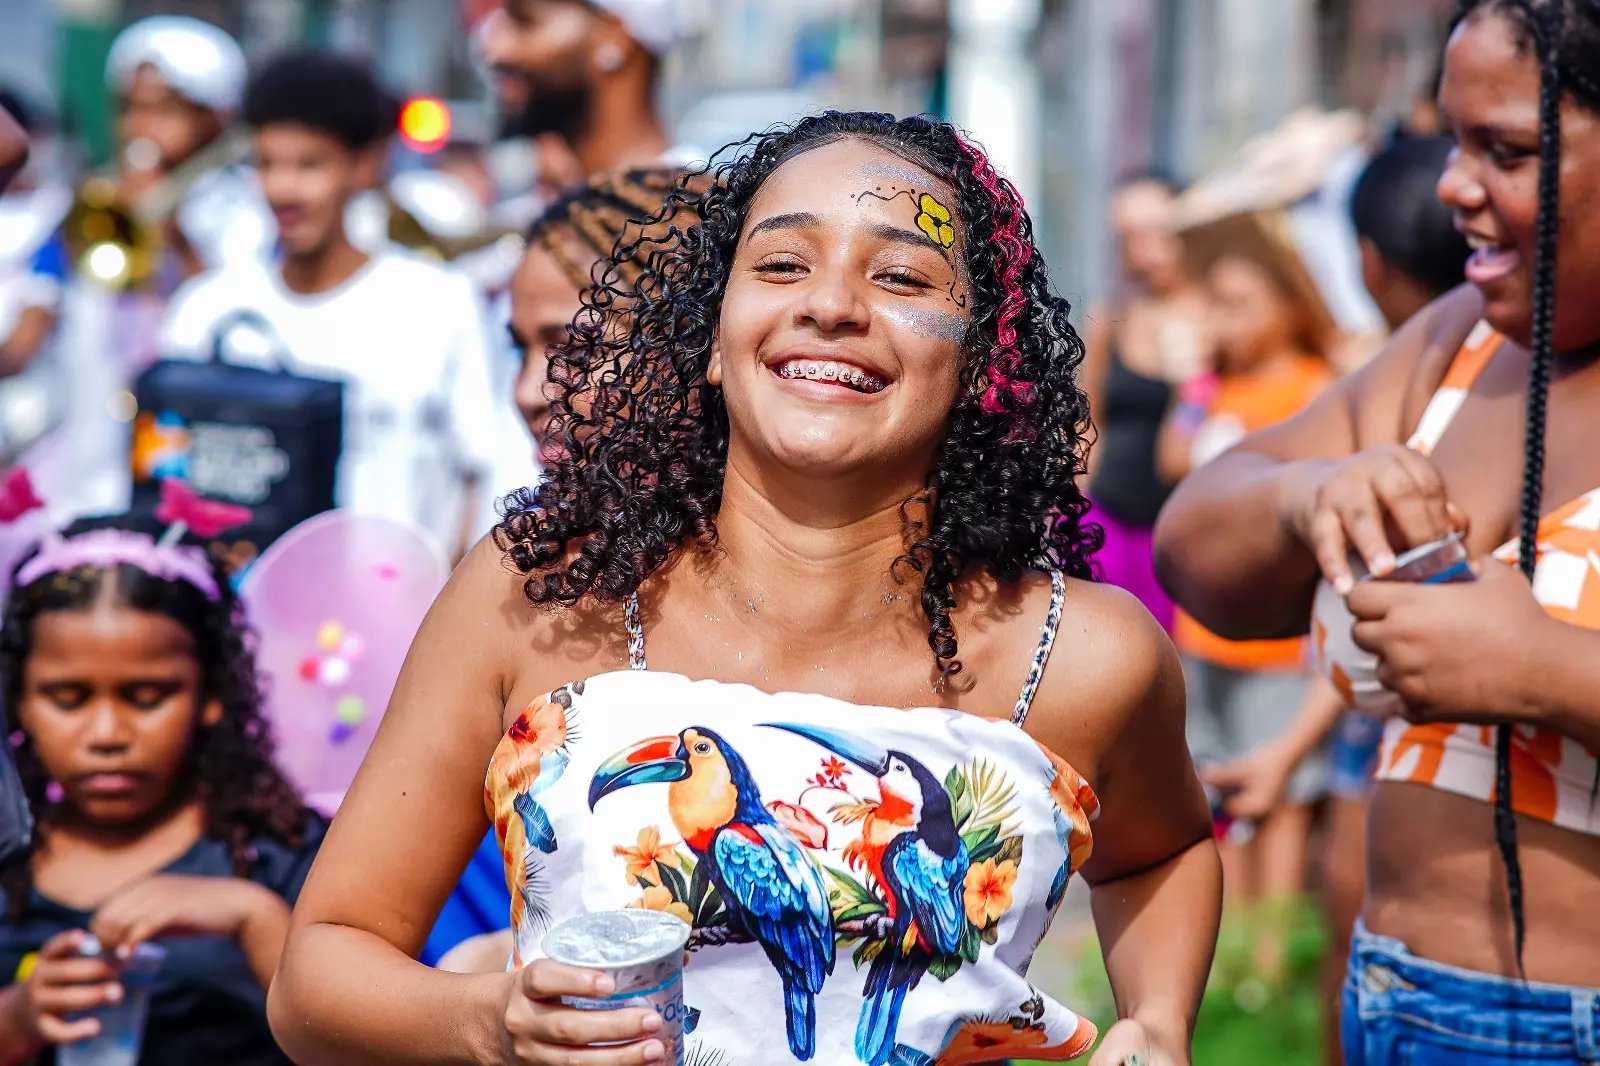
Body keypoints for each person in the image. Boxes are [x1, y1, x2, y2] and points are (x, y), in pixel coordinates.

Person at [269, 111, 1221, 1066]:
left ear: (983, 361)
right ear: (712, 340)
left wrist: (1158, 1019)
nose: (832, 305)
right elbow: (318, 973)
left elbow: (1163, 851)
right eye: (782, 265)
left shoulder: (1084, 655)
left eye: (900, 277)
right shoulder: (542, 596)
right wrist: (493, 1022)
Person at [1153, 2, 1600, 1063]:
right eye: (1453, 141)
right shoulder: (1456, 343)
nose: (1453, 186)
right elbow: (1194, 538)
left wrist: (1544, 672)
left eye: (1507, 151)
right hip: (1394, 1002)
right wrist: (1308, 494)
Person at [1197, 130, 1471, 1066]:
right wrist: (1301, 490)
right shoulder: (1417, 375)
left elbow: (1374, 632)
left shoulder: (1390, 383)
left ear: (1367, 261)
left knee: (1350, 964)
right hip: (1376, 753)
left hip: (1374, 746)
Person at [0, 513, 325, 1065]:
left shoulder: (282, 850)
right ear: (18, 702)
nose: (107, 735)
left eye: (147, 696)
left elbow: (358, 1046)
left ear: (212, 694)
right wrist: (20, 1017)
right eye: (67, 698)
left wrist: (255, 918)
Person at [157, 51, 503, 559]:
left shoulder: (438, 303)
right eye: (266, 163)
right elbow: (166, 468)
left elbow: (480, 473)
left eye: (309, 165)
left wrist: (447, 600)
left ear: (363, 166)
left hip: (402, 606)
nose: (283, 189)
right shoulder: (205, 307)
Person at [1156, 236, 1334, 982]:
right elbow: (1172, 460)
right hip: (1203, 635)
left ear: (1289, 306)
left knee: (1282, 799)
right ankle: (1229, 959)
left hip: (1279, 644)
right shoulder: (1215, 388)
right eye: (1216, 306)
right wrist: (1196, 386)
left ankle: (1272, 965)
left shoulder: (1314, 388)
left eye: (1238, 305)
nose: (1223, 320)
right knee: (1215, 791)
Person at [1081, 175, 1209, 633]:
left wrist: (1195, 378)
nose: (1141, 252)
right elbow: (1088, 422)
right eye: (1126, 238)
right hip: (1109, 521)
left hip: (1185, 528)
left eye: (1155, 232)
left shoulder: (1219, 317)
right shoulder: (1110, 319)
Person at [478, 0, 701, 181]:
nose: (496, 51)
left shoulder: (692, 211)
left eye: (525, 22)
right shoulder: (539, 206)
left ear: (614, 39)